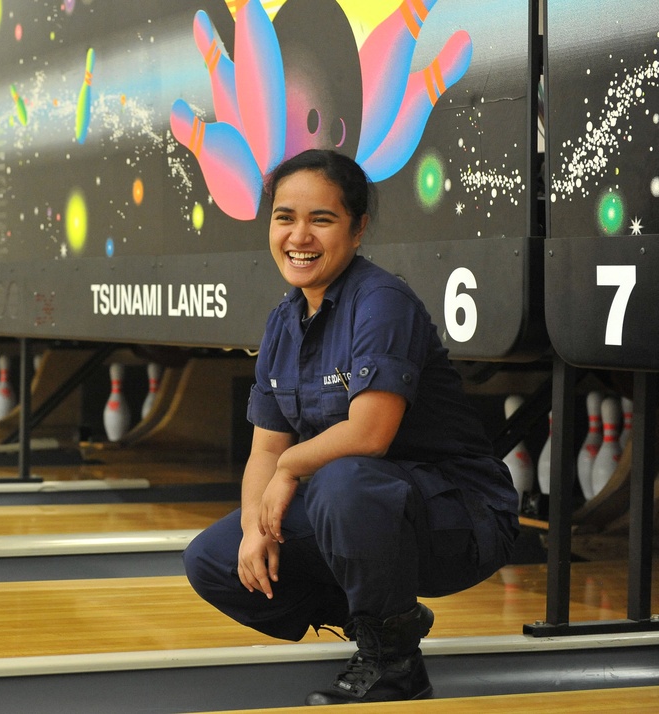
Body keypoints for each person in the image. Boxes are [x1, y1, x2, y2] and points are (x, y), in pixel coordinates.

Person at [182, 149, 519, 705]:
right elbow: (264, 449)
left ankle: (395, 665)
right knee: (214, 561)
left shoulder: (381, 301)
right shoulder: (283, 321)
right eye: (285, 217)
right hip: (364, 514)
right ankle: (384, 620)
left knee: (341, 482)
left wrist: (292, 468)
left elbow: (369, 435)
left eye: (322, 219)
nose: (299, 236)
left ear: (358, 228)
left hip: (458, 518)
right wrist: (253, 531)